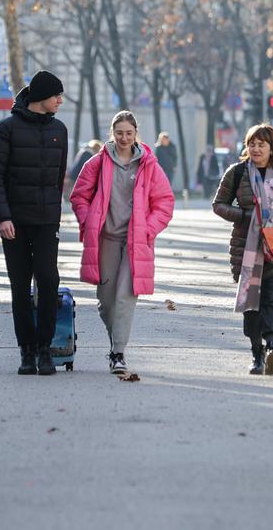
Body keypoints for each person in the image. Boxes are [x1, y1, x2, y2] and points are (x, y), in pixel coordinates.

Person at [71, 112, 175, 374]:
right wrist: (90, 221)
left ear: (136, 133)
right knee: (106, 300)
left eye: (129, 133)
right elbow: (79, 197)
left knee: (125, 297)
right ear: (112, 133)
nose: (124, 138)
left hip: (135, 241)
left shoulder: (149, 165)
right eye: (120, 133)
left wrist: (148, 230)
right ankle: (115, 342)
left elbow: (165, 202)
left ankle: (118, 353)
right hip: (105, 239)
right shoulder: (96, 163)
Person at [0, 70, 69, 377]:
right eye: (56, 95)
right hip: (15, 224)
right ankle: (27, 350)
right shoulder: (6, 129)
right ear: (40, 97)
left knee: (48, 282)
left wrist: (56, 213)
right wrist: (2, 216)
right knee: (20, 287)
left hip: (47, 222)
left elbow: (59, 178)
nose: (60, 100)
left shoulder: (59, 129)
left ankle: (45, 348)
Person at [212, 123, 273, 376]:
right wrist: (245, 215)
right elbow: (218, 204)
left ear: (272, 147)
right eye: (251, 144)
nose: (255, 148)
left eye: (261, 144)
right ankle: (257, 355)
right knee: (252, 304)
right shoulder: (237, 172)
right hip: (247, 247)